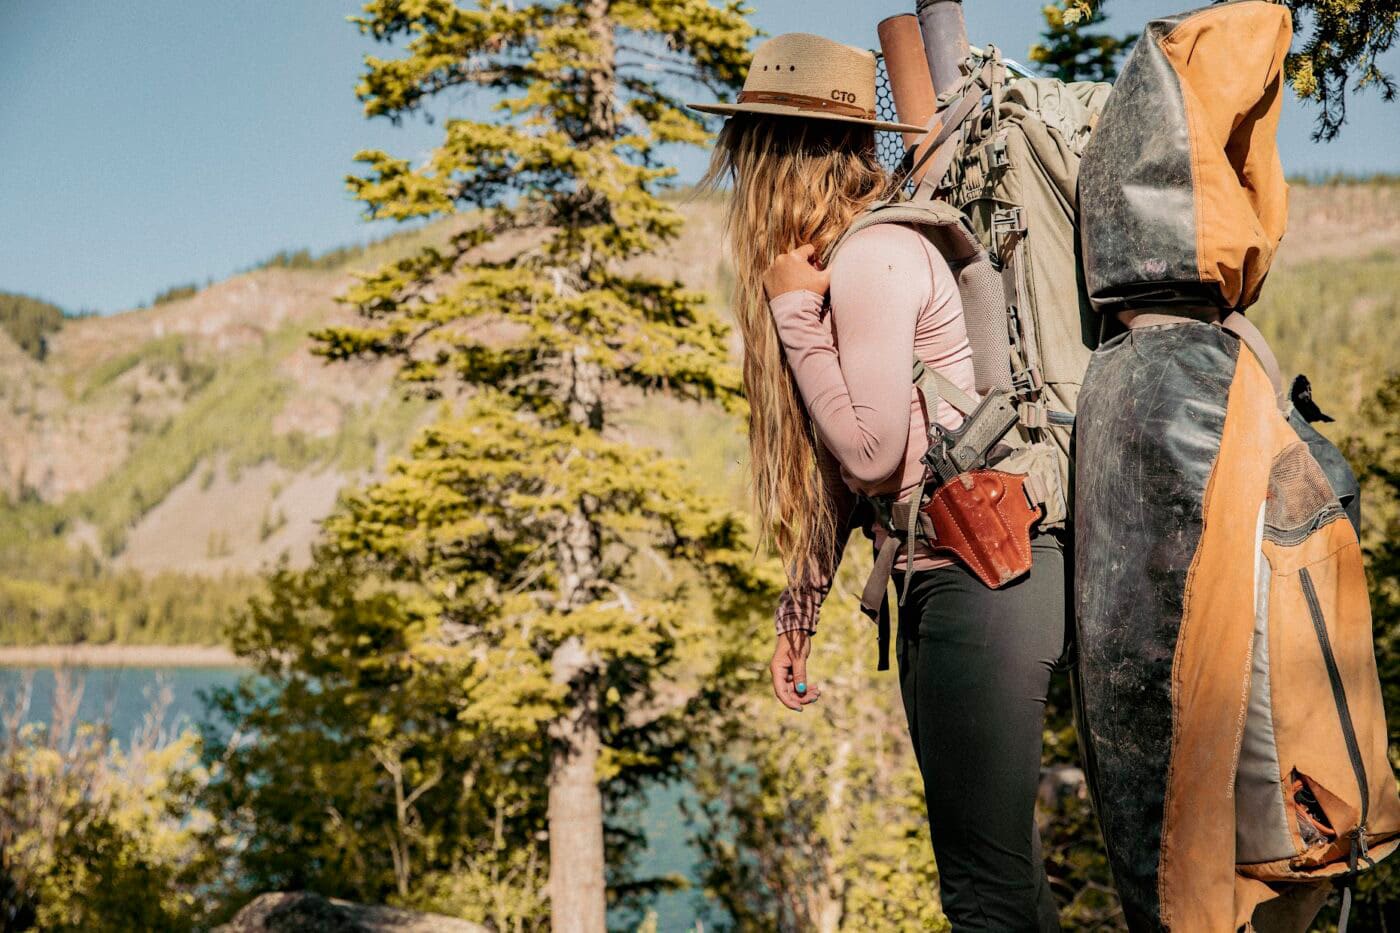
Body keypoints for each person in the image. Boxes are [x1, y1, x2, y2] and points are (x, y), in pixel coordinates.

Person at [692, 32, 1067, 932]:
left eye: (749, 151)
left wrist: (792, 316)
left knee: (984, 887)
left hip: (980, 577)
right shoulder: (861, 252)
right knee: (994, 876)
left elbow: (865, 452)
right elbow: (857, 475)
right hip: (958, 577)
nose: (741, 177)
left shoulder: (871, 258)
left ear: (781, 157)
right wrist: (803, 603)